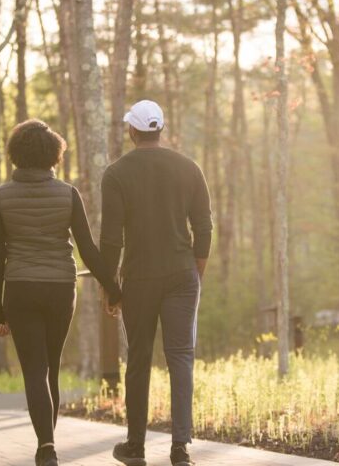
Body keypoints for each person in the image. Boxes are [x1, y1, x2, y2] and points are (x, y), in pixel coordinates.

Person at [0, 119, 121, 466]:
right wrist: (114, 288)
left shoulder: (1, 196)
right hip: (60, 288)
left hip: (19, 288)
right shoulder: (67, 193)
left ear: (16, 154)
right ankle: (48, 443)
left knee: (34, 369)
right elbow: (88, 249)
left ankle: (46, 446)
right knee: (52, 366)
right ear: (53, 154)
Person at [100, 100, 212, 466]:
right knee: (181, 358)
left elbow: (111, 239)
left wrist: (110, 288)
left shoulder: (116, 173)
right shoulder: (188, 167)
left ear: (132, 131)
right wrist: (196, 271)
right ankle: (180, 448)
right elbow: (204, 226)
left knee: (139, 359)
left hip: (139, 278)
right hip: (182, 275)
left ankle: (135, 447)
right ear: (159, 129)